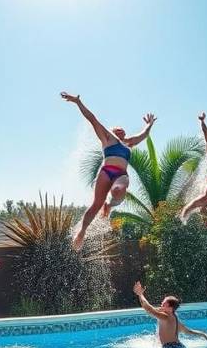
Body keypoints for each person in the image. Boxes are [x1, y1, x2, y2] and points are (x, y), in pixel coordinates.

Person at [61, 92, 156, 249]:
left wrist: (149, 124)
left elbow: (144, 134)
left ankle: (110, 205)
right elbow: (92, 119)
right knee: (96, 204)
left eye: (121, 129)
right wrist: (78, 102)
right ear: (112, 131)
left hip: (121, 175)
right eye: (116, 129)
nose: (119, 130)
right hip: (106, 172)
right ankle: (82, 232)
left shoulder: (129, 144)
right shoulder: (107, 138)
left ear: (125, 133)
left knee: (119, 189)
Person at [133, 281, 207, 348]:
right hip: (179, 347)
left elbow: (150, 309)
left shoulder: (165, 317)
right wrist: (203, 334)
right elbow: (188, 331)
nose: (161, 304)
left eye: (163, 304)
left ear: (170, 308)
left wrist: (140, 294)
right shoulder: (174, 318)